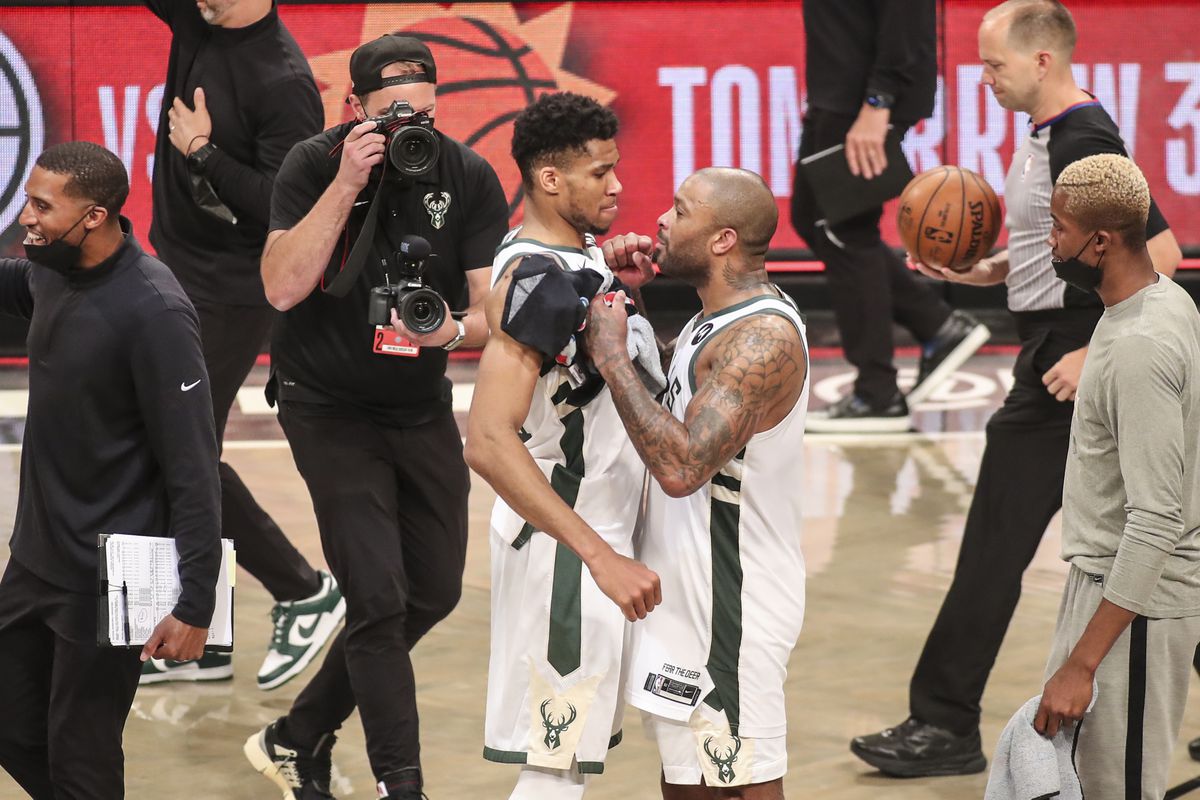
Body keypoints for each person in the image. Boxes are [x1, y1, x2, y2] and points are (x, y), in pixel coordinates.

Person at [850, 0, 1183, 777]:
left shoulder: (1083, 140)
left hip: (1072, 363)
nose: (985, 78)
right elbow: (1053, 253)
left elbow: (1159, 253)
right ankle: (943, 719)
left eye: (994, 64)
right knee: (1138, 538)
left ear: (1042, 60)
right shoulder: (1048, 135)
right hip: (1055, 347)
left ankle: (943, 724)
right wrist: (985, 271)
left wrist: (1094, 352)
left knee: (997, 543)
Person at [241, 35, 508, 800]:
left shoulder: (467, 174)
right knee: (379, 599)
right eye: (392, 116)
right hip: (325, 406)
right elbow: (280, 287)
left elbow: (492, 312)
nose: (409, 130)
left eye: (422, 115)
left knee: (435, 591)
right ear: (353, 107)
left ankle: (297, 736)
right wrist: (348, 182)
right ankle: (402, 783)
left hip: (417, 404)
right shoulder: (313, 164)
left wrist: (450, 332)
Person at [0, 142, 221, 797]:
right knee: (11, 721)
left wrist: (196, 601)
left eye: (43, 206)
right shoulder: (53, 268)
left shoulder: (155, 312)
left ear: (93, 216)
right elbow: (16, 282)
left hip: (107, 579)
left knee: (83, 757)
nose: (26, 217)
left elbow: (194, 468)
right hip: (35, 558)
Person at [464, 91, 662, 800]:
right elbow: (487, 441)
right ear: (550, 179)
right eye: (600, 172)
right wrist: (600, 556)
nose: (618, 186)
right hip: (572, 547)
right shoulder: (540, 278)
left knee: (569, 759)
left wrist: (619, 284)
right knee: (555, 770)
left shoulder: (571, 261)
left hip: (590, 534)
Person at [587, 167, 809, 800]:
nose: (661, 219)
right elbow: (676, 409)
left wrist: (610, 355)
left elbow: (682, 468)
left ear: (722, 240)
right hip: (684, 594)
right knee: (688, 784)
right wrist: (630, 305)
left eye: (680, 211)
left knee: (741, 782)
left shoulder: (762, 338)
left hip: (731, 599)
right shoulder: (714, 319)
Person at [143, 0, 343, 689]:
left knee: (179, 452)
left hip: (230, 290)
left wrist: (202, 151)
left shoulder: (283, 81)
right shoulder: (198, 17)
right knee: (177, 450)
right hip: (176, 266)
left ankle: (303, 590)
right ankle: (206, 636)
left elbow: (283, 204)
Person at [1031, 153, 1200, 798]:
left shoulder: (1140, 347)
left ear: (1099, 242)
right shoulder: (1160, 302)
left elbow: (1156, 519)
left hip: (1136, 610)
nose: (1051, 242)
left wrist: (1082, 663)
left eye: (1059, 229)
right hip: (1112, 592)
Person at [793, 0, 989, 433]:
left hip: (861, 98)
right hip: (836, 90)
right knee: (810, 218)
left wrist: (878, 99)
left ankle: (877, 393)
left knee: (844, 230)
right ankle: (937, 325)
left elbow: (905, 14)